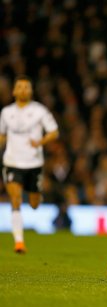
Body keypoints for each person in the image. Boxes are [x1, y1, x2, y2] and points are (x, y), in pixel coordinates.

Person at [0, 75, 59, 254]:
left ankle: (36, 194)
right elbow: (2, 135)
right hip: (12, 162)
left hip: (33, 163)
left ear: (31, 91)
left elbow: (54, 132)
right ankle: (19, 242)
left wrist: (40, 142)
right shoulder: (6, 112)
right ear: (14, 91)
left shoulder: (40, 111)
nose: (23, 90)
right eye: (20, 87)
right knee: (16, 199)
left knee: (34, 204)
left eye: (27, 87)